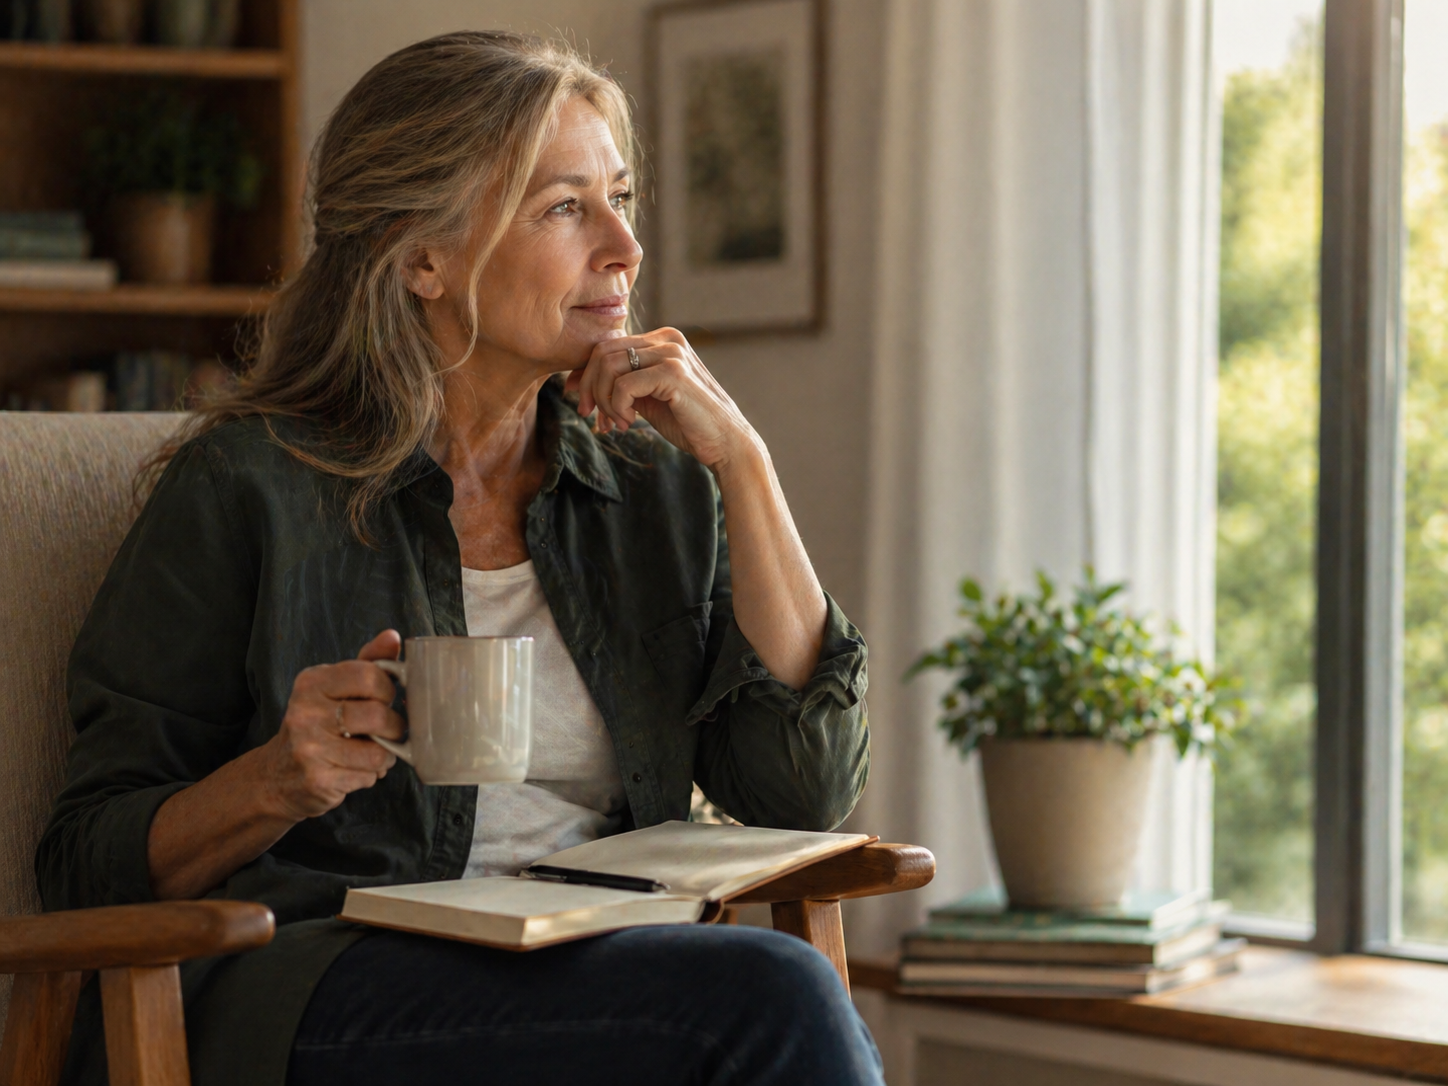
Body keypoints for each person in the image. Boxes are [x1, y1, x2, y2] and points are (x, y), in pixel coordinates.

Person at [37, 30, 878, 1086]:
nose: (621, 246)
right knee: (768, 994)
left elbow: (801, 790)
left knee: (744, 989)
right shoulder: (248, 484)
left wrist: (743, 466)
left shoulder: (653, 492)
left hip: (594, 965)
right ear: (421, 257)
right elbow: (81, 860)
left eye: (619, 196)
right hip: (311, 984)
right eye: (565, 206)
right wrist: (275, 781)